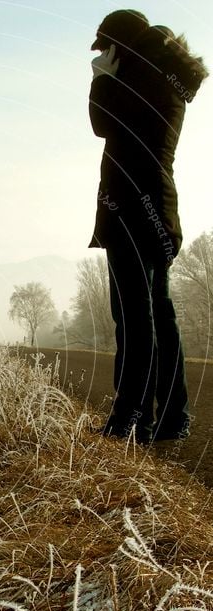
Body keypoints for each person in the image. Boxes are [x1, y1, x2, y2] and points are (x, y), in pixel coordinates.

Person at [88, 10, 208, 443]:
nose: (103, 57)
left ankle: (128, 420)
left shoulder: (145, 83)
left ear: (124, 47)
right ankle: (172, 416)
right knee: (158, 314)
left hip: (133, 214)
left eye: (107, 50)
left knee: (135, 317)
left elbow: (101, 123)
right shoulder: (161, 81)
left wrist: (102, 78)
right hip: (154, 211)